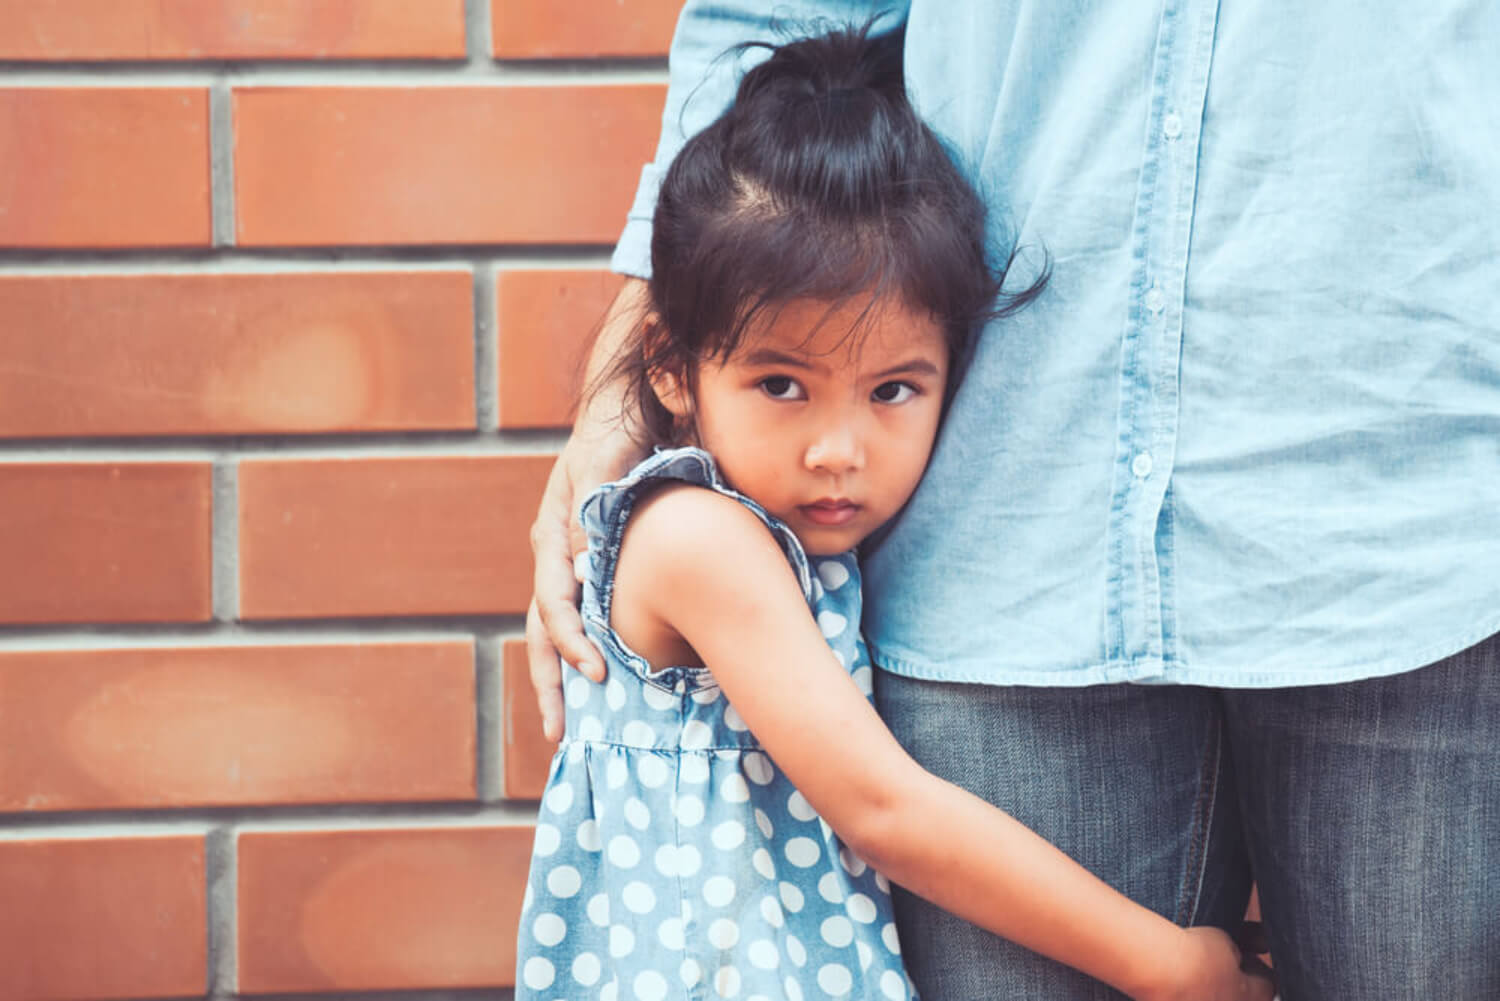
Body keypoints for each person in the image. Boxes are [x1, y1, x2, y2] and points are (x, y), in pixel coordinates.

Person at [529, 3, 1500, 999]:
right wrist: (1161, 962)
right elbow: (883, 807)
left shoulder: (763, 537)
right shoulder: (698, 539)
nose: (836, 450)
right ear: (675, 365)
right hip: (1018, 541)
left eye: (892, 390)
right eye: (781, 384)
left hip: (1409, 516)